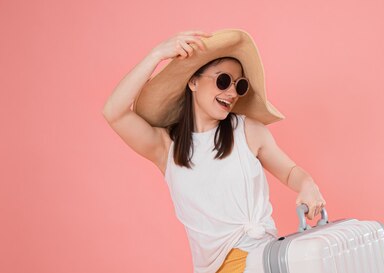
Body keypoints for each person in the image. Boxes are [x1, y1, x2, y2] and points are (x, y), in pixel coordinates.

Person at [102, 29, 327, 273]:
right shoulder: (167, 147)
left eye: (239, 85)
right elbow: (114, 112)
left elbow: (290, 171)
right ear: (193, 81)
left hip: (259, 262)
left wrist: (308, 184)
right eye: (222, 81)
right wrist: (157, 54)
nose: (231, 93)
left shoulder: (248, 131)